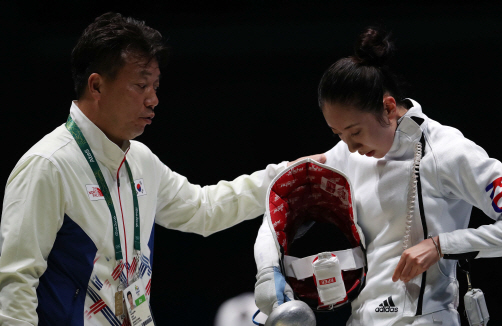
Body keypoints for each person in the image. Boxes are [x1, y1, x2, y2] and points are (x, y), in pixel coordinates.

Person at [0, 12, 324, 326]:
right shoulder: (47, 166)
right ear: (96, 86)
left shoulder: (141, 161)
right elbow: (15, 282)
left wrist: (288, 178)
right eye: (141, 85)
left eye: (155, 86)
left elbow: (204, 209)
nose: (153, 99)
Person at [254, 27, 502, 325]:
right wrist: (267, 272)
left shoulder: (449, 151)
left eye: (355, 131)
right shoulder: (345, 155)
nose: (349, 145)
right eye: (338, 133)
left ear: (389, 108)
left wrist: (442, 245)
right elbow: (279, 203)